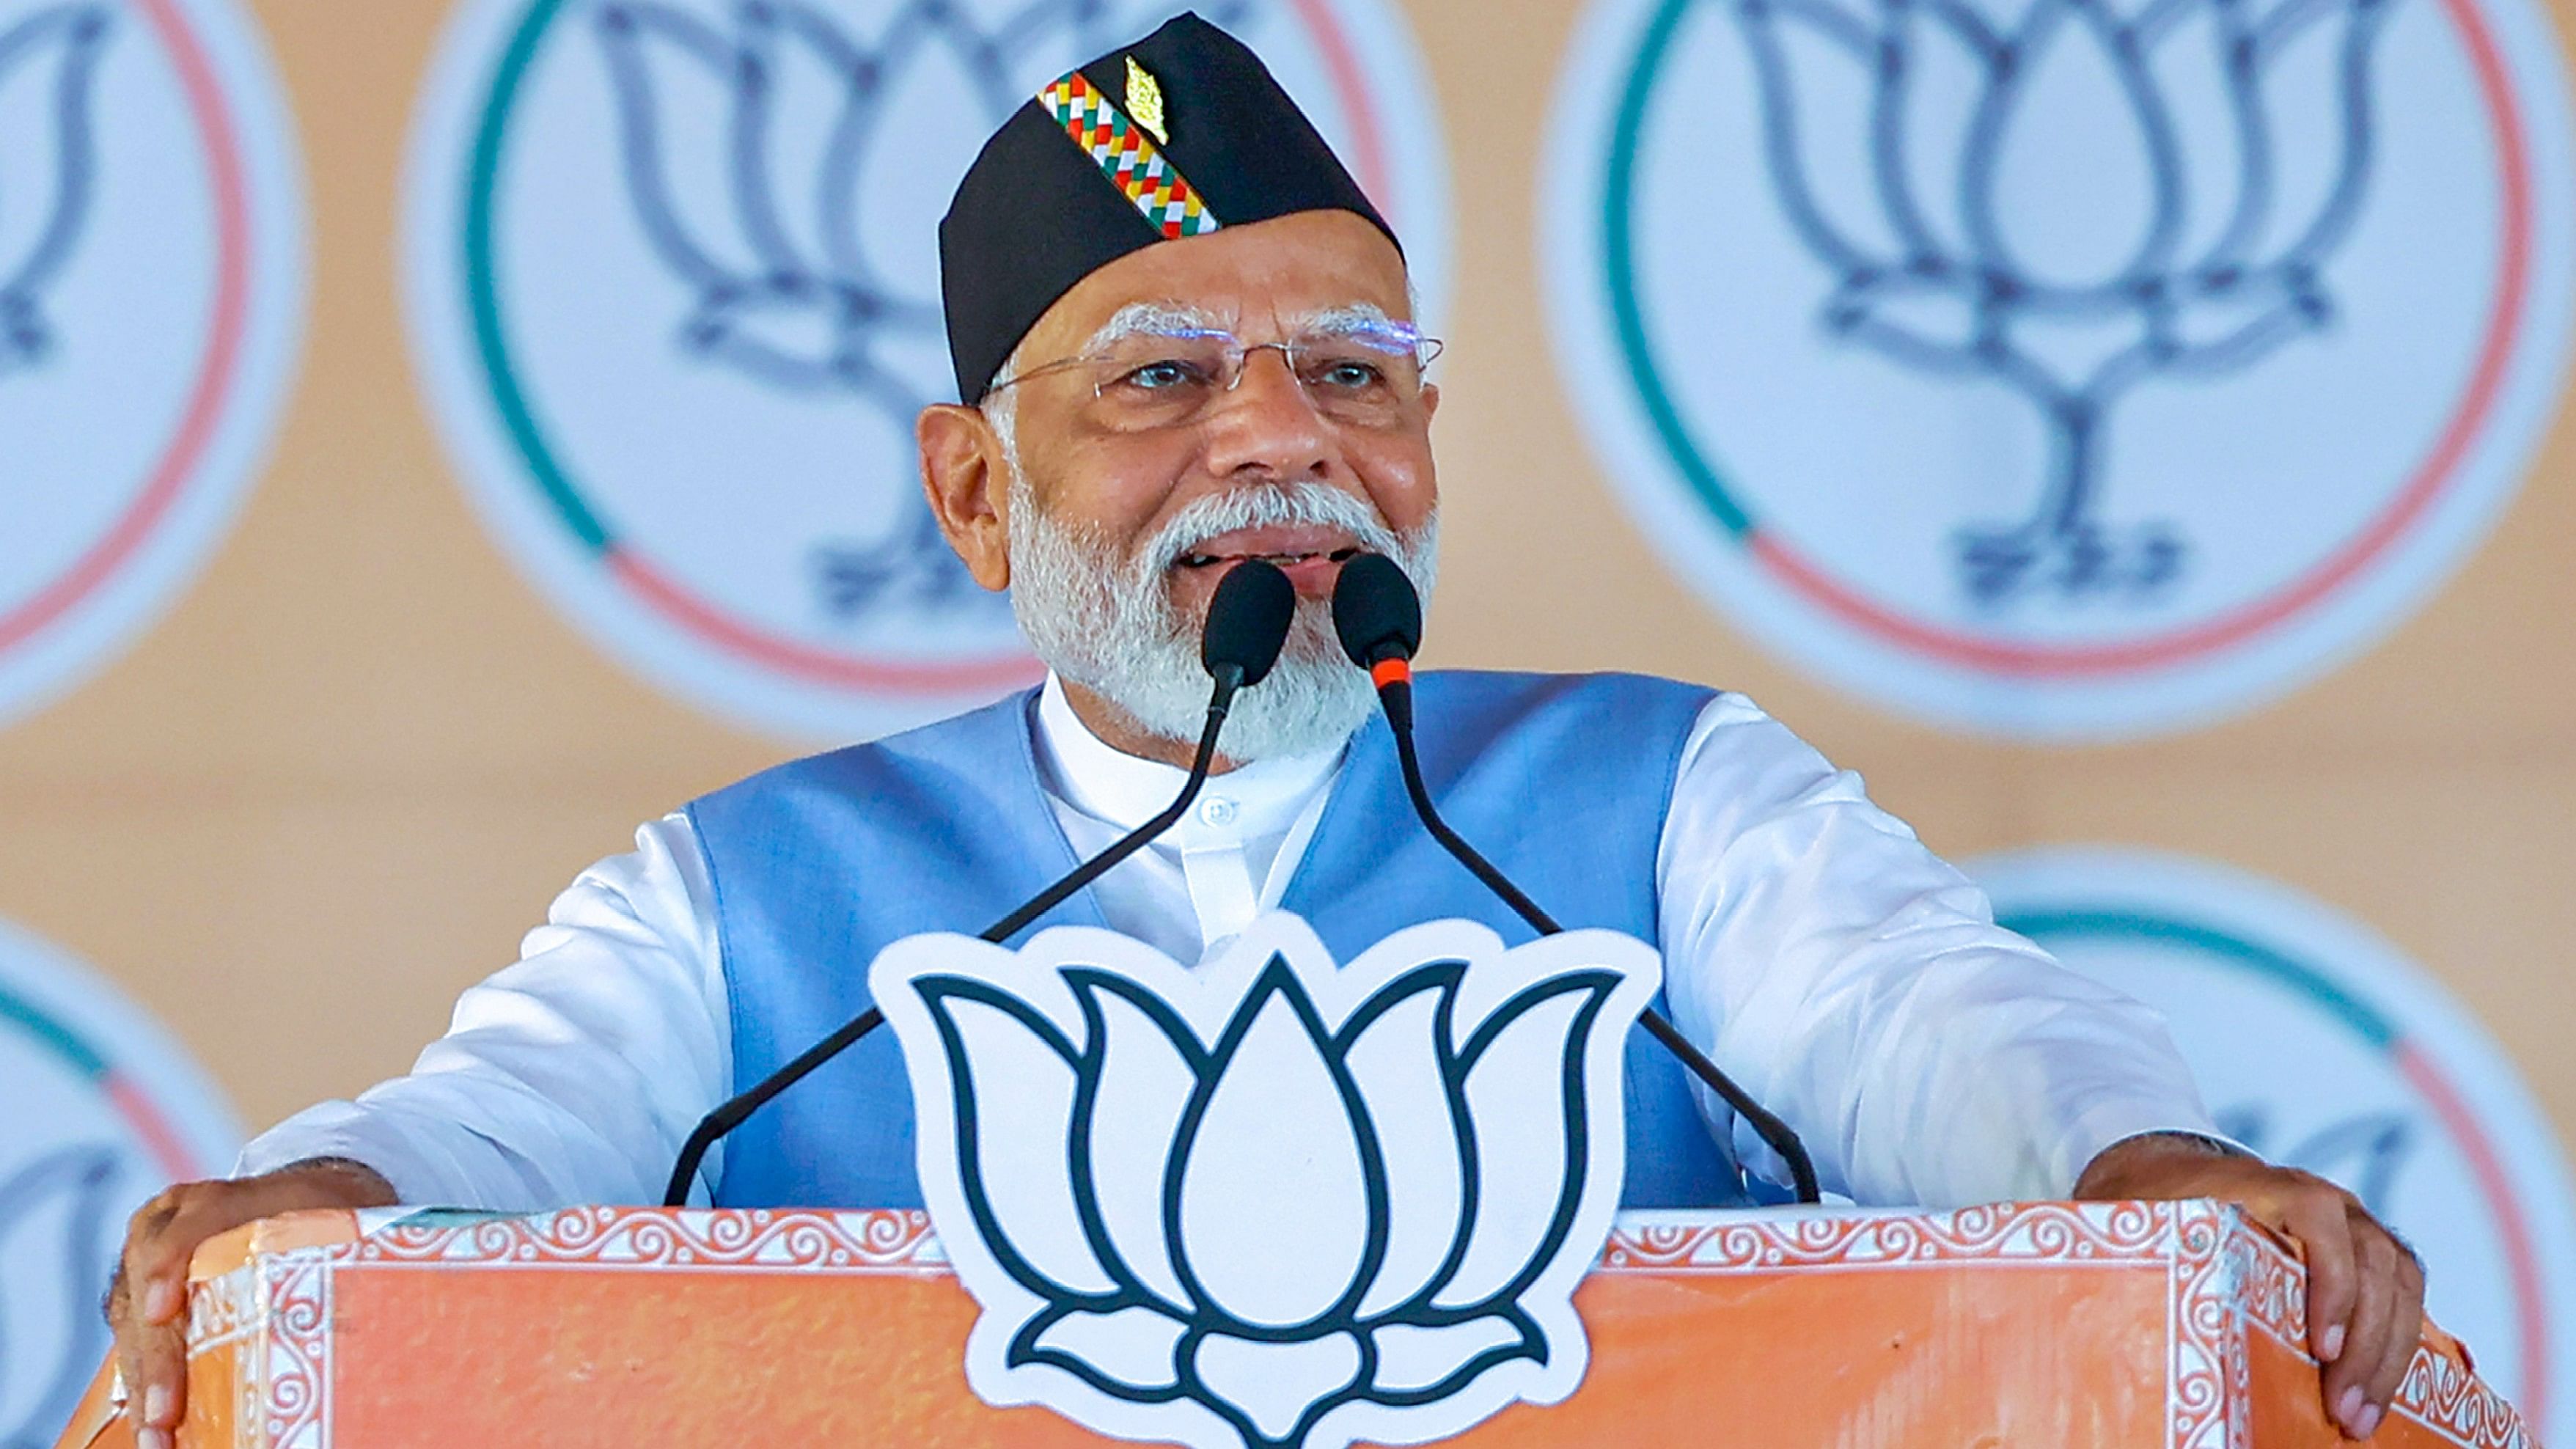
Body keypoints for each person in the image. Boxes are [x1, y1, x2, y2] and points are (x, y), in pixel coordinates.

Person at [109, 12, 2423, 1445]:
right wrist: (341, 1196)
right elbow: (503, 1122)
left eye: (1351, 375)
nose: (1276, 442)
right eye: (1159, 378)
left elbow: (1932, 1032)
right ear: (966, 489)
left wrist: (2127, 1174)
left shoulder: (1656, 797)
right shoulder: (744, 898)